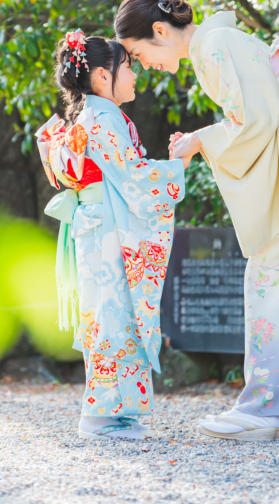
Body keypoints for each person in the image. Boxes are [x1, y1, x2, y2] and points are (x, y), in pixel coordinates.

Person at [115, 0, 279, 441]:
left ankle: (261, 408)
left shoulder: (214, 46)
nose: (146, 65)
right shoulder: (218, 42)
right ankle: (266, 403)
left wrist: (198, 140)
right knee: (278, 276)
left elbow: (254, 121)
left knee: (269, 275)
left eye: (139, 54)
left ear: (159, 31)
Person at [35, 30, 186, 440]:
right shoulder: (104, 119)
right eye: (128, 67)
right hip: (109, 229)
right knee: (112, 318)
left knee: (109, 316)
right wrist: (178, 164)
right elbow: (134, 178)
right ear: (103, 76)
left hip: (98, 225)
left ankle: (114, 413)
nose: (135, 75)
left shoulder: (92, 117)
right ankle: (102, 415)